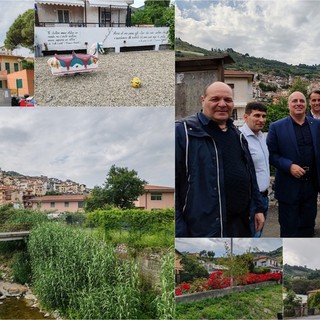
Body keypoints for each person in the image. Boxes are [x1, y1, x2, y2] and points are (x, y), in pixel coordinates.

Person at [175, 81, 265, 237]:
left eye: (228, 100)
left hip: (241, 223)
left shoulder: (238, 135)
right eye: (215, 99)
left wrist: (257, 208)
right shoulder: (183, 132)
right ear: (203, 100)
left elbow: (251, 176)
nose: (222, 104)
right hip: (204, 228)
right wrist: (178, 231)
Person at [267, 91, 320, 237]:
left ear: (306, 104)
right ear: (288, 105)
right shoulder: (276, 127)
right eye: (294, 101)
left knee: (308, 226)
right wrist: (288, 166)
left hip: (311, 186)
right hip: (288, 187)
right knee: (289, 228)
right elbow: (271, 155)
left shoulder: (317, 125)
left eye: (302, 101)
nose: (298, 104)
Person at [239, 102, 270, 237]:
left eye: (263, 116)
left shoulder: (261, 137)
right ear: (245, 117)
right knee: (251, 237)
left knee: (258, 235)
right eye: (256, 115)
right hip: (251, 200)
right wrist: (256, 206)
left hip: (264, 197)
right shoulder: (240, 138)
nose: (261, 120)